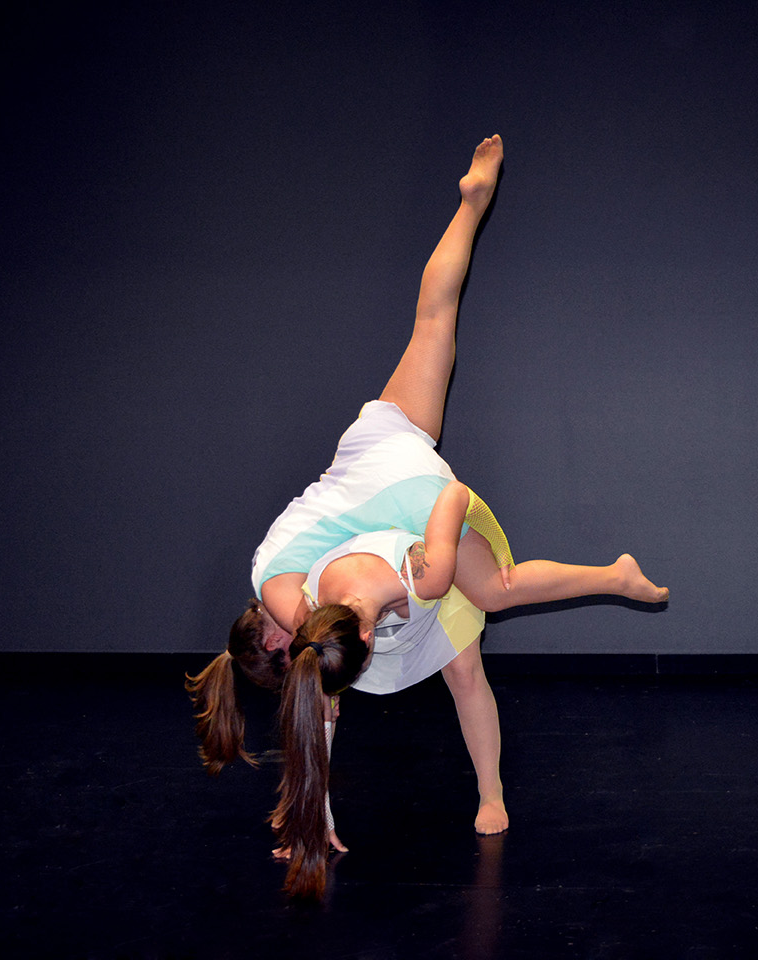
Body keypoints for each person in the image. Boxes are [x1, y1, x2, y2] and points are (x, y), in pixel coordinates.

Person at [189, 135, 669, 899]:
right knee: (432, 320)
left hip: (414, 495)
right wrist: (307, 811)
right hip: (373, 464)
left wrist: (439, 548)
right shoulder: (299, 601)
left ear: (282, 636)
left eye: (282, 655)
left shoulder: (339, 587)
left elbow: (447, 501)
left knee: (486, 603)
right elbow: (318, 711)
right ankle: (470, 203)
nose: (291, 659)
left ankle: (606, 585)